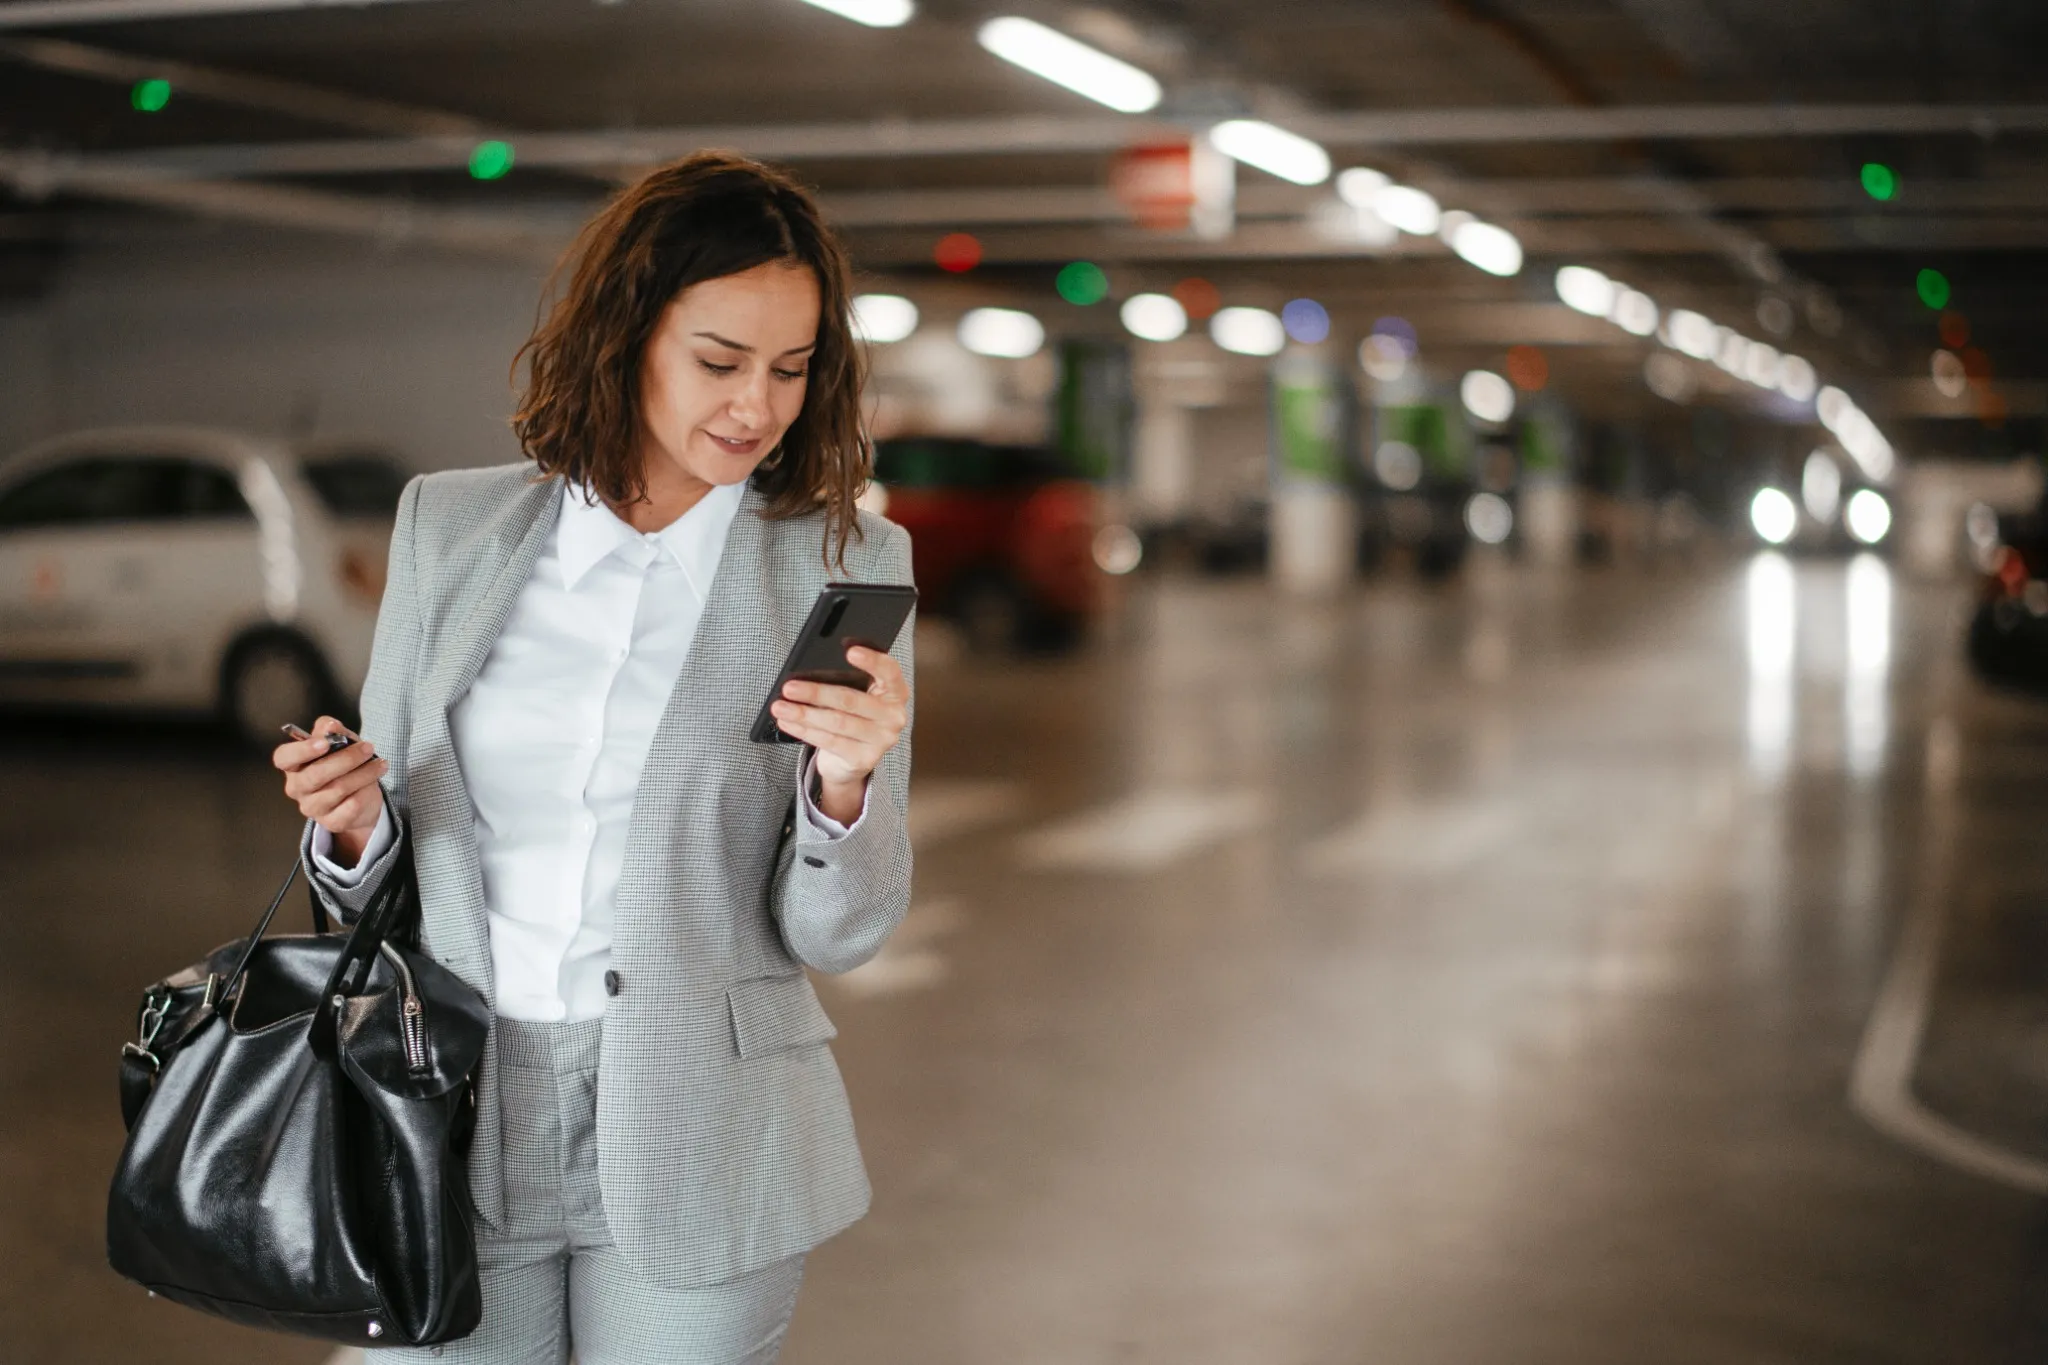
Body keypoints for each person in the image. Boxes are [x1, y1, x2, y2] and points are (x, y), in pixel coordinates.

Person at [271, 151, 913, 1365]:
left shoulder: (842, 564)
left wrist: (844, 790)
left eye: (792, 368)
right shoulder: (447, 528)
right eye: (718, 361)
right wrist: (348, 823)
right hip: (443, 1104)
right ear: (623, 338)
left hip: (700, 1114)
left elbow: (840, 929)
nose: (756, 407)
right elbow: (387, 870)